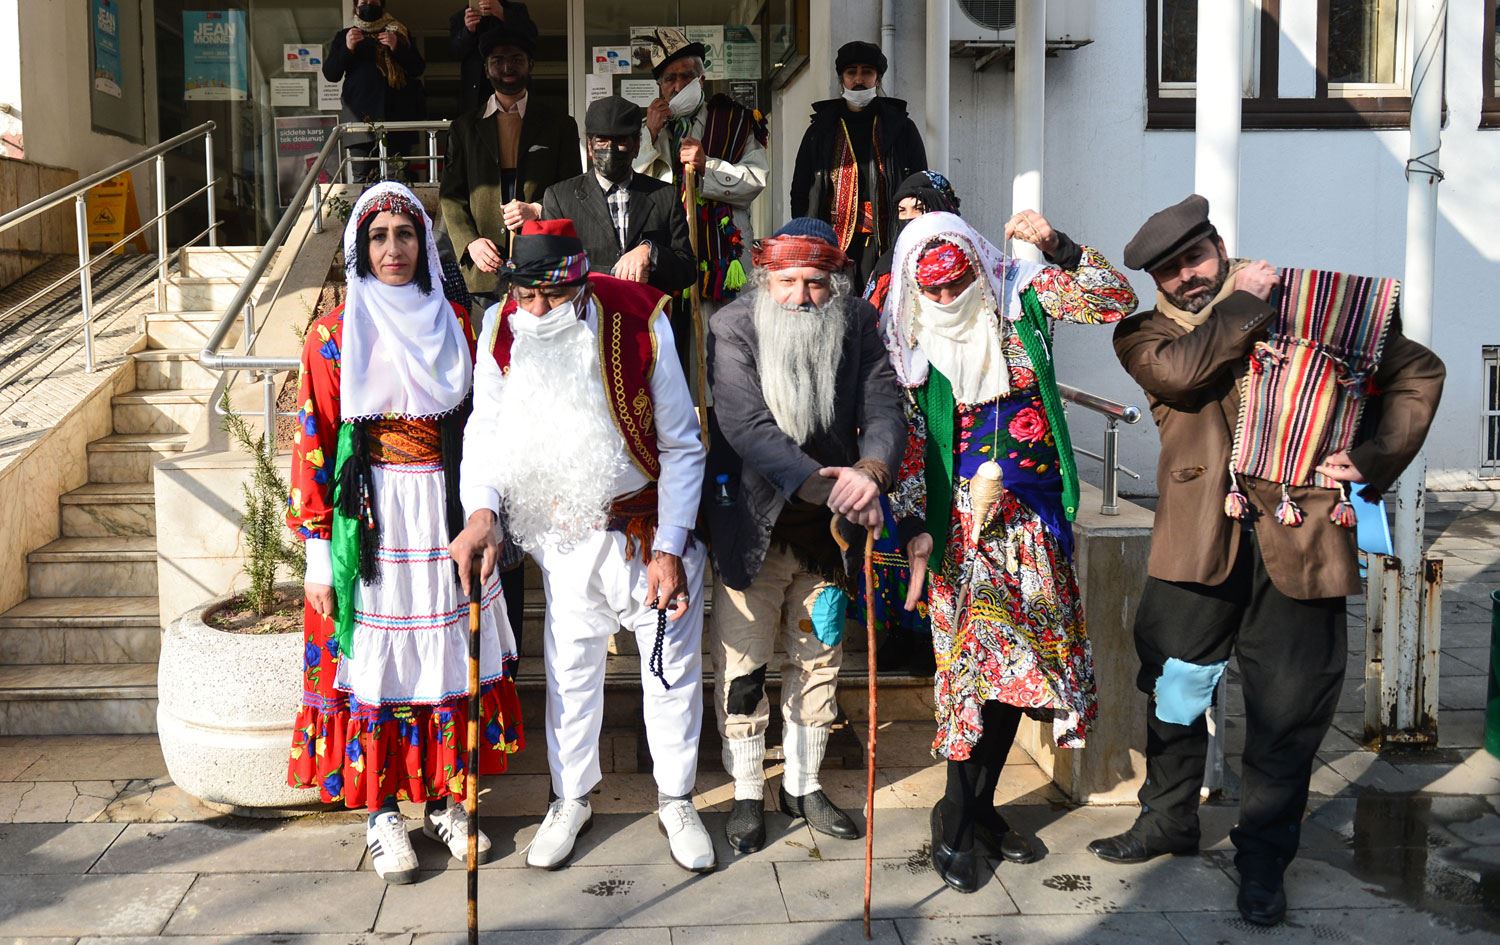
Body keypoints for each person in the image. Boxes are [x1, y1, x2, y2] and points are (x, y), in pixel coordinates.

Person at [1094, 194, 1445, 927]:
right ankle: (1168, 818)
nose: (1185, 278)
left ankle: (1262, 859)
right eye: (1168, 272)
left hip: (1303, 535)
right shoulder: (1144, 333)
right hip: (1199, 541)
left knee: (1288, 709)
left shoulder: (1314, 307)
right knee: (1172, 686)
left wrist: (1376, 455)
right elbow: (1185, 376)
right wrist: (1246, 304)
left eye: (1193, 259)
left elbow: (1420, 371)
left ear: (1218, 244)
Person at [882, 210, 1137, 893]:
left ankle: (981, 806)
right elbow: (909, 447)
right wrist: (913, 532)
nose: (944, 299)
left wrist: (1058, 245)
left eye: (955, 284)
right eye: (931, 290)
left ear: (977, 270)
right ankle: (957, 821)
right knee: (977, 681)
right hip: (961, 537)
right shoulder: (909, 337)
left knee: (1023, 683)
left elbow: (1115, 297)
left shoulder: (1019, 298)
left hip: (1034, 525)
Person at [450, 219, 715, 873]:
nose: (536, 310)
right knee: (570, 670)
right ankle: (570, 798)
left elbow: (683, 443)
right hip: (563, 530)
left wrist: (671, 548)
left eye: (551, 296)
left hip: (647, 526)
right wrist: (482, 510)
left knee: (669, 668)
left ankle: (676, 796)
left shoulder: (638, 318)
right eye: (524, 295)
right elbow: (486, 430)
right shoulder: (502, 327)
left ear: (581, 287)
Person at [286, 182, 524, 886]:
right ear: (361, 246)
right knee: (379, 664)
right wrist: (318, 558)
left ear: (425, 242)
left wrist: (487, 513)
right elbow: (313, 445)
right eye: (379, 235)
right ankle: (382, 810)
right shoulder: (333, 333)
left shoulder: (454, 320)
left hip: (445, 515)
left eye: (406, 234)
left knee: (449, 651)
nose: (393, 248)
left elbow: (484, 425)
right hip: (372, 523)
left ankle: (448, 800)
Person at [703, 218, 906, 855]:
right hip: (754, 527)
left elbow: (883, 410)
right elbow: (746, 425)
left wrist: (872, 472)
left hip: (831, 539)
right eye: (788, 281)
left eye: (816, 283)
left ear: (835, 283)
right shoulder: (731, 326)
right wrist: (831, 485)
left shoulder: (860, 325)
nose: (801, 297)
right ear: (766, 279)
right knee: (744, 666)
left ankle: (803, 782)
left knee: (819, 657)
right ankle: (744, 792)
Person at [857, 170, 963, 678]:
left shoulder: (963, 265)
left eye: (919, 210)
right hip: (899, 406)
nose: (910, 222)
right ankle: (899, 628)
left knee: (945, 515)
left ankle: (938, 630)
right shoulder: (886, 266)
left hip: (954, 409)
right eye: (902, 213)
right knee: (902, 511)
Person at [632, 27, 768, 365]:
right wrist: (649, 135)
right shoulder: (647, 130)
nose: (677, 85)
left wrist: (709, 164)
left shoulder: (736, 120)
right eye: (668, 79)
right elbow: (633, 186)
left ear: (702, 80)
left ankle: (720, 415)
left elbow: (756, 179)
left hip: (725, 254)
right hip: (668, 251)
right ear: (660, 87)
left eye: (685, 76)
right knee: (670, 351)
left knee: (727, 350)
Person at [440, 23, 581, 309]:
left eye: (516, 59)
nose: (507, 67)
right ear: (486, 68)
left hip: (542, 262)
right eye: (497, 61)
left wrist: (538, 209)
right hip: (485, 267)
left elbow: (573, 190)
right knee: (487, 349)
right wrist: (470, 242)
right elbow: (451, 195)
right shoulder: (464, 128)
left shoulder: (560, 125)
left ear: (531, 65)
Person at [790, 41, 927, 290]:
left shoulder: (901, 128)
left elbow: (920, 186)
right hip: (833, 241)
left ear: (878, 78)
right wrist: (806, 238)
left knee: (883, 306)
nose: (859, 79)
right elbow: (801, 189)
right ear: (842, 78)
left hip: (887, 239)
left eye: (867, 72)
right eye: (851, 72)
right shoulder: (820, 130)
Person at [541, 96, 696, 295]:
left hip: (646, 318)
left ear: (637, 145)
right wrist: (616, 273)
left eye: (620, 141)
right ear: (589, 146)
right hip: (587, 318)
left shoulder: (663, 196)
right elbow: (552, 269)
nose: (610, 149)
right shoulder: (560, 198)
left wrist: (651, 252)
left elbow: (687, 270)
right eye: (602, 141)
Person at [323, 1, 427, 179]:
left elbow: (417, 68)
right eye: (364, 2)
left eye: (373, 2)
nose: (368, 5)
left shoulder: (398, 32)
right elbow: (331, 74)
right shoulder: (345, 35)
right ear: (356, 8)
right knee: (363, 178)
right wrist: (348, 48)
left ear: (382, 7)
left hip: (397, 121)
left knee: (397, 179)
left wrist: (396, 47)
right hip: (360, 123)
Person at [449, 0, 537, 116]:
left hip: (513, 82)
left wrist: (503, 14)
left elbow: (531, 37)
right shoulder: (460, 17)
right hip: (477, 89)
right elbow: (455, 52)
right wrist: (468, 31)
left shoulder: (515, 10)